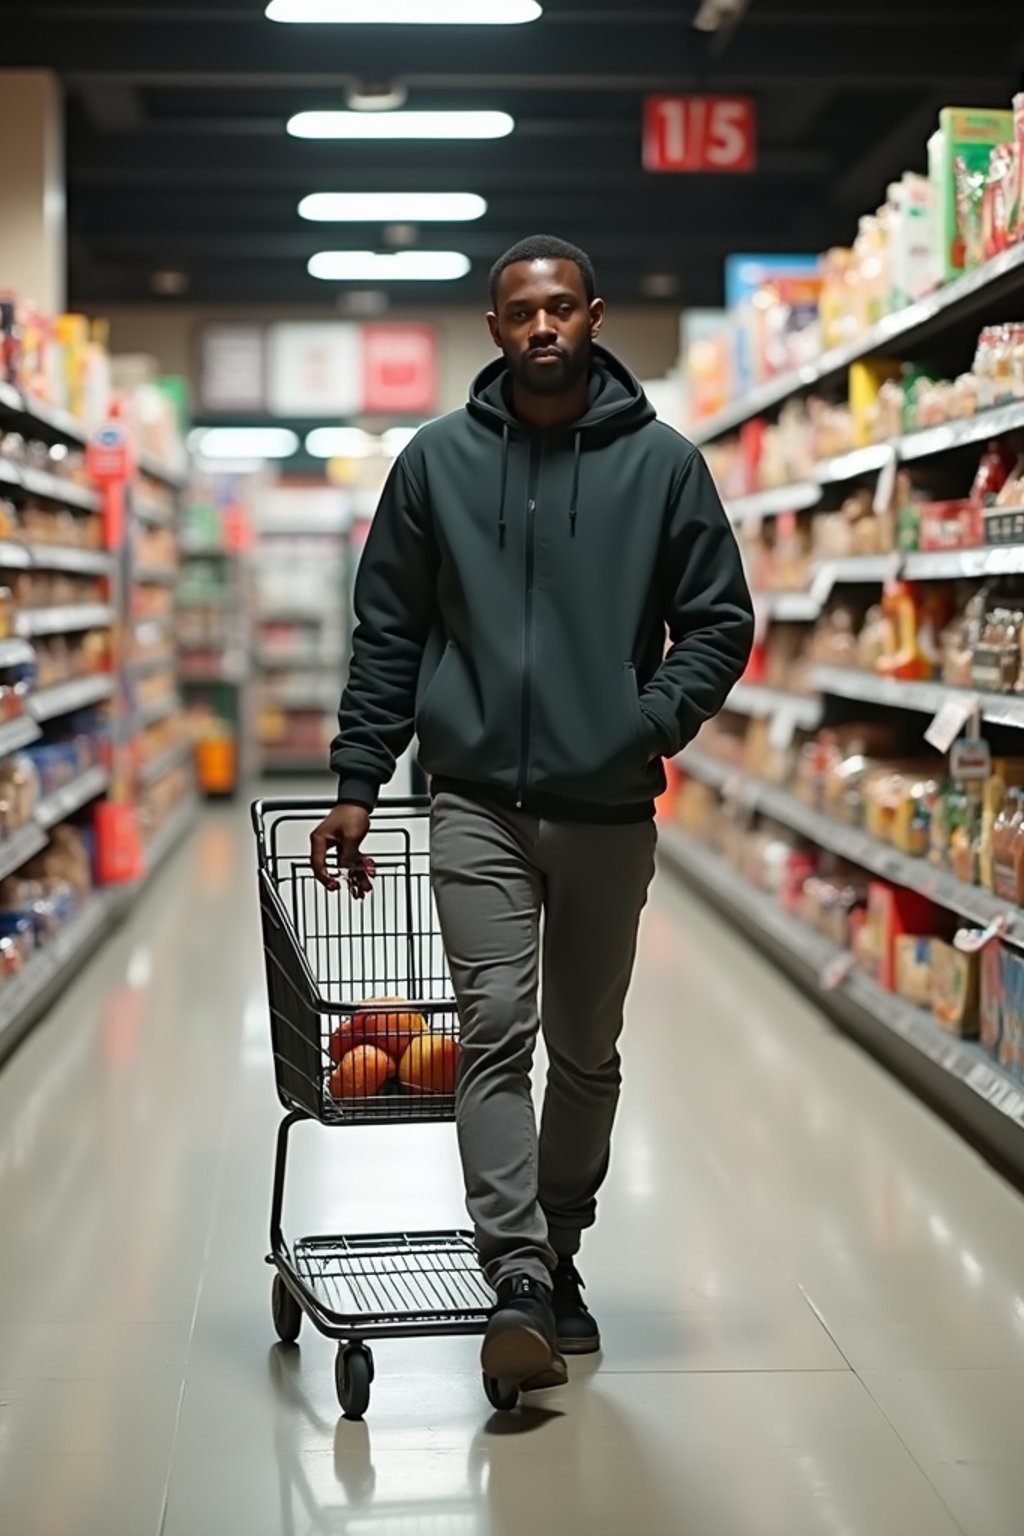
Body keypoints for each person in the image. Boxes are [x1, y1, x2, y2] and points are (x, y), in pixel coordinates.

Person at [311, 234, 754, 1392]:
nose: (543, 327)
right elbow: (390, 633)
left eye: (562, 308)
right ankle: (513, 1273)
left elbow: (718, 621)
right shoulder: (434, 464)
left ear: (594, 316)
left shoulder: (663, 465)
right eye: (521, 312)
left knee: (586, 1048)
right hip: (473, 802)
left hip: (607, 803)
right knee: (494, 1026)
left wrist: (646, 723)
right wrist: (359, 778)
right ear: (494, 328)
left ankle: (560, 1246)